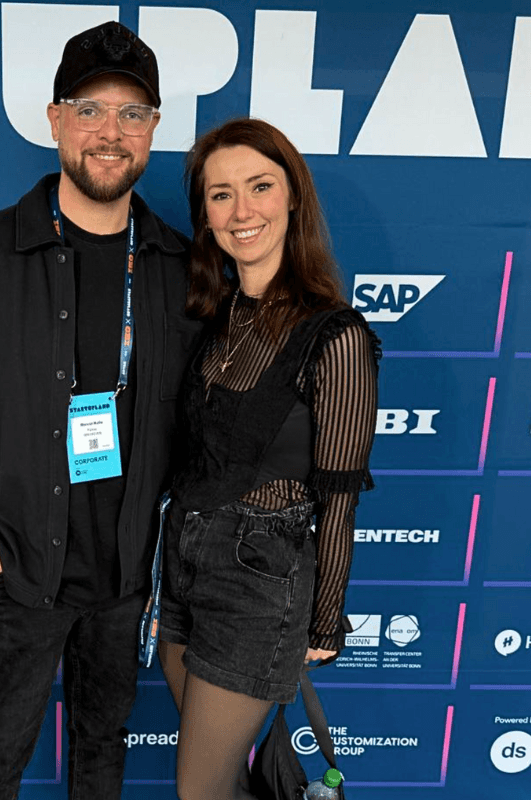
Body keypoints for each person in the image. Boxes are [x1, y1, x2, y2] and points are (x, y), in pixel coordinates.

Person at [0, 21, 201, 800]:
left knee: (103, 757)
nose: (111, 132)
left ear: (155, 129)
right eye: (90, 109)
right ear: (55, 118)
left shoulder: (180, 270)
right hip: (16, 573)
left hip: (125, 577)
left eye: (132, 114)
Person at [156, 118, 381, 800]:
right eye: (220, 195)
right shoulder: (217, 316)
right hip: (183, 570)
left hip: (260, 585)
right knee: (225, 783)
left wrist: (324, 619)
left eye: (259, 186)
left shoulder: (335, 336)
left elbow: (338, 498)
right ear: (206, 216)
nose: (241, 210)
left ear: (292, 199)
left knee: (199, 791)